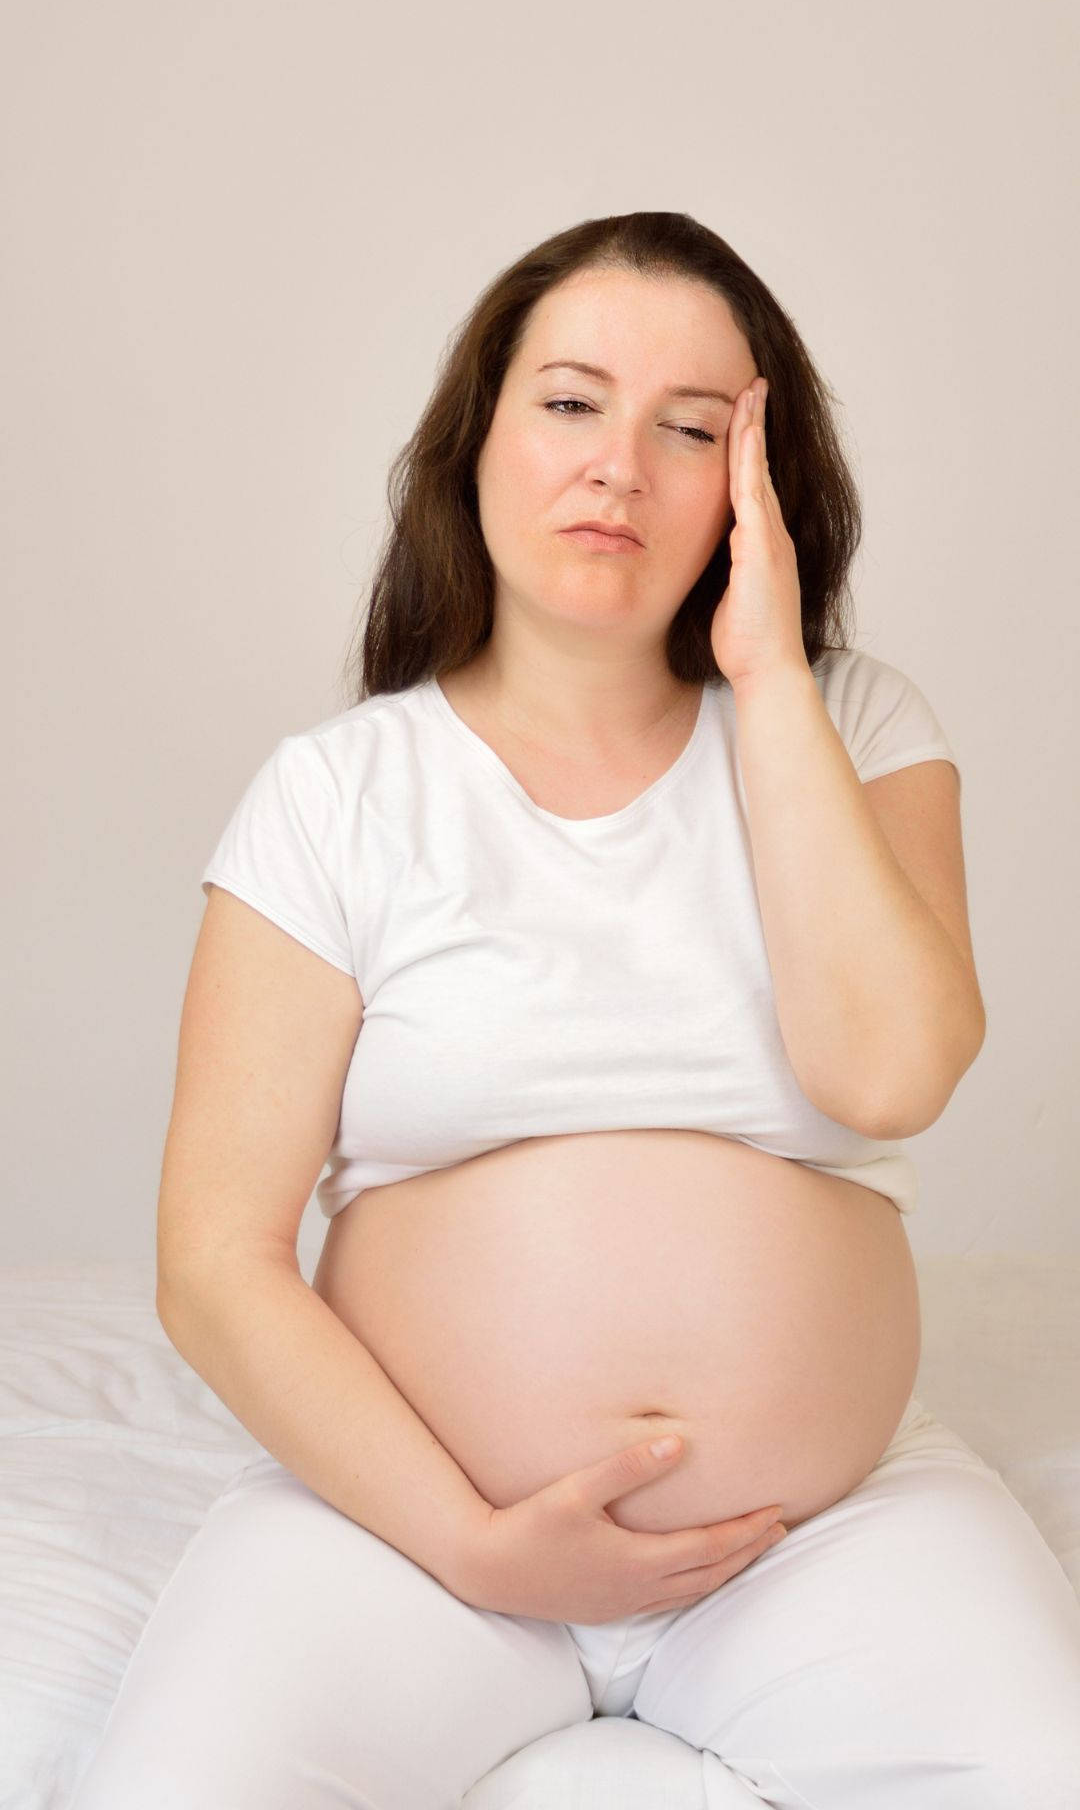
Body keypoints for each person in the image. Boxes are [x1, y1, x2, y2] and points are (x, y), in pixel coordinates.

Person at [72, 213, 1080, 1808]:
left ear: (760, 489)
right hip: (408, 1527)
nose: (621, 465)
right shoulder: (340, 792)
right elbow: (214, 1262)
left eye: (691, 431)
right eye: (570, 404)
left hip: (815, 1536)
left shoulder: (857, 728)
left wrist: (767, 677)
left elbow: (888, 1072)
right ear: (474, 440)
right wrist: (476, 1540)